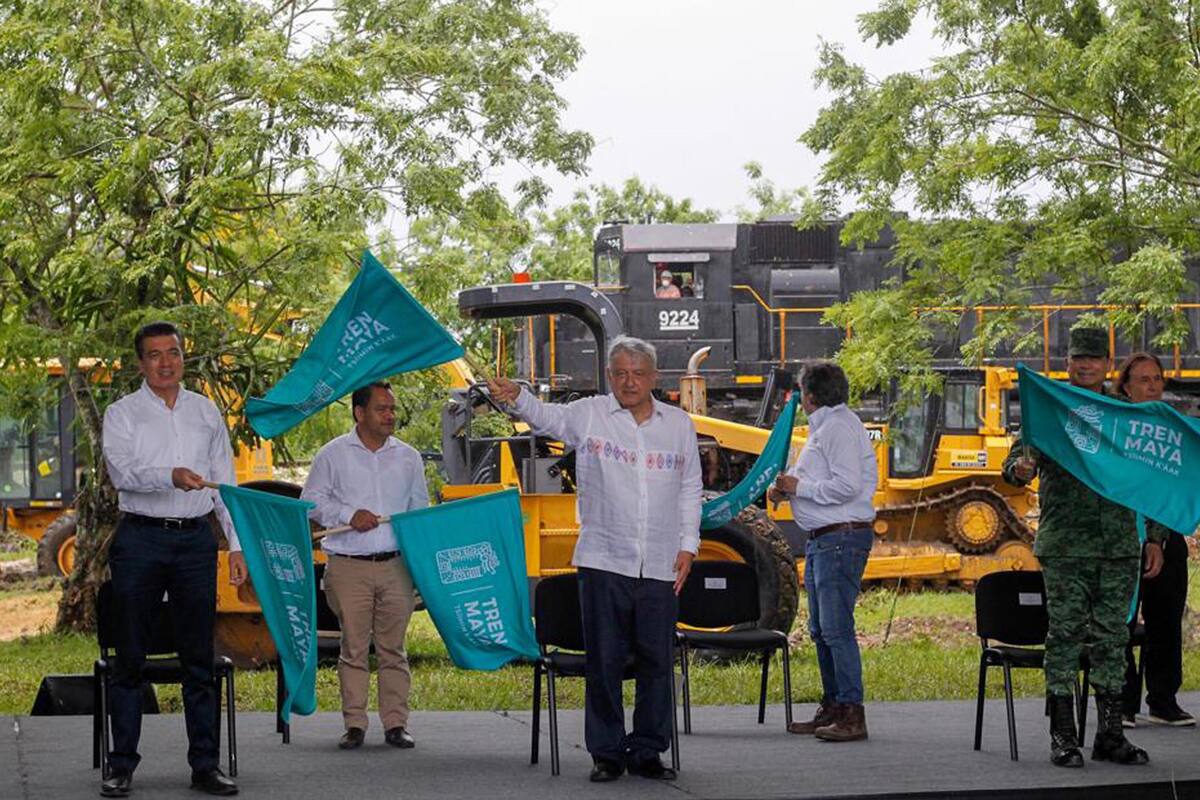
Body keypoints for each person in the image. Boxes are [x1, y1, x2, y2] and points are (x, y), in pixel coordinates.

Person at [487, 336, 701, 783]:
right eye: (620, 373)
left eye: (638, 373)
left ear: (654, 378)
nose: (629, 382)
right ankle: (606, 752)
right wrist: (519, 398)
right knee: (603, 660)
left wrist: (689, 544)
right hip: (605, 558)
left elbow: (689, 488)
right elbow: (546, 418)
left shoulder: (678, 424)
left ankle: (647, 750)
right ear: (609, 376)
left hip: (662, 562)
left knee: (656, 661)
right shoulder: (589, 415)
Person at [1002, 326, 1166, 768]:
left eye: (1093, 359)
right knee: (1066, 638)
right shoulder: (1050, 410)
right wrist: (1020, 467)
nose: (1086, 366)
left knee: (1113, 640)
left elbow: (1148, 480)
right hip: (1066, 546)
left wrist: (1154, 538)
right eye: (1078, 360)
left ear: (1107, 364)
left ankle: (1110, 735)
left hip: (1118, 545)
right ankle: (1064, 736)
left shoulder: (1124, 415)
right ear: (1068, 363)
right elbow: (1014, 468)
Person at [100, 321, 245, 797]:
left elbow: (225, 484)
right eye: (155, 355)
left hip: (194, 543)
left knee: (198, 659)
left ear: (185, 357)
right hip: (140, 540)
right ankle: (120, 766)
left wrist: (236, 546)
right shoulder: (122, 414)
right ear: (141, 363)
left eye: (174, 353)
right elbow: (122, 472)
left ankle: (205, 766)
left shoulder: (206, 413)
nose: (166, 362)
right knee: (130, 657)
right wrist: (170, 475)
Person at [301, 382, 428, 750]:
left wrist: (421, 558)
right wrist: (347, 514)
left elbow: (418, 509)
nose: (391, 416)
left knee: (393, 648)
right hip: (348, 565)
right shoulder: (332, 455)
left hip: (396, 566)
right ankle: (354, 724)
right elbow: (311, 502)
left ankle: (395, 724)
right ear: (359, 413)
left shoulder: (409, 457)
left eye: (393, 409)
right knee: (353, 647)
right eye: (382, 409)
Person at [767, 361, 876, 742]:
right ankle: (833, 706)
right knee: (820, 629)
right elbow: (817, 480)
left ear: (809, 396)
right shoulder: (825, 429)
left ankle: (851, 711)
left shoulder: (838, 429)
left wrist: (799, 489)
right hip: (824, 538)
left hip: (841, 538)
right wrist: (788, 488)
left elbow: (846, 486)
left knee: (836, 628)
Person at [1116, 353, 1194, 728]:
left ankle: (1163, 699)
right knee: (1122, 621)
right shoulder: (1115, 428)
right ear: (1126, 387)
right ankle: (1124, 701)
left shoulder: (1174, 427)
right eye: (1143, 379)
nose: (1151, 385)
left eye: (1157, 379)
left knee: (1166, 620)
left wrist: (1159, 539)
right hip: (1124, 535)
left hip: (1167, 535)